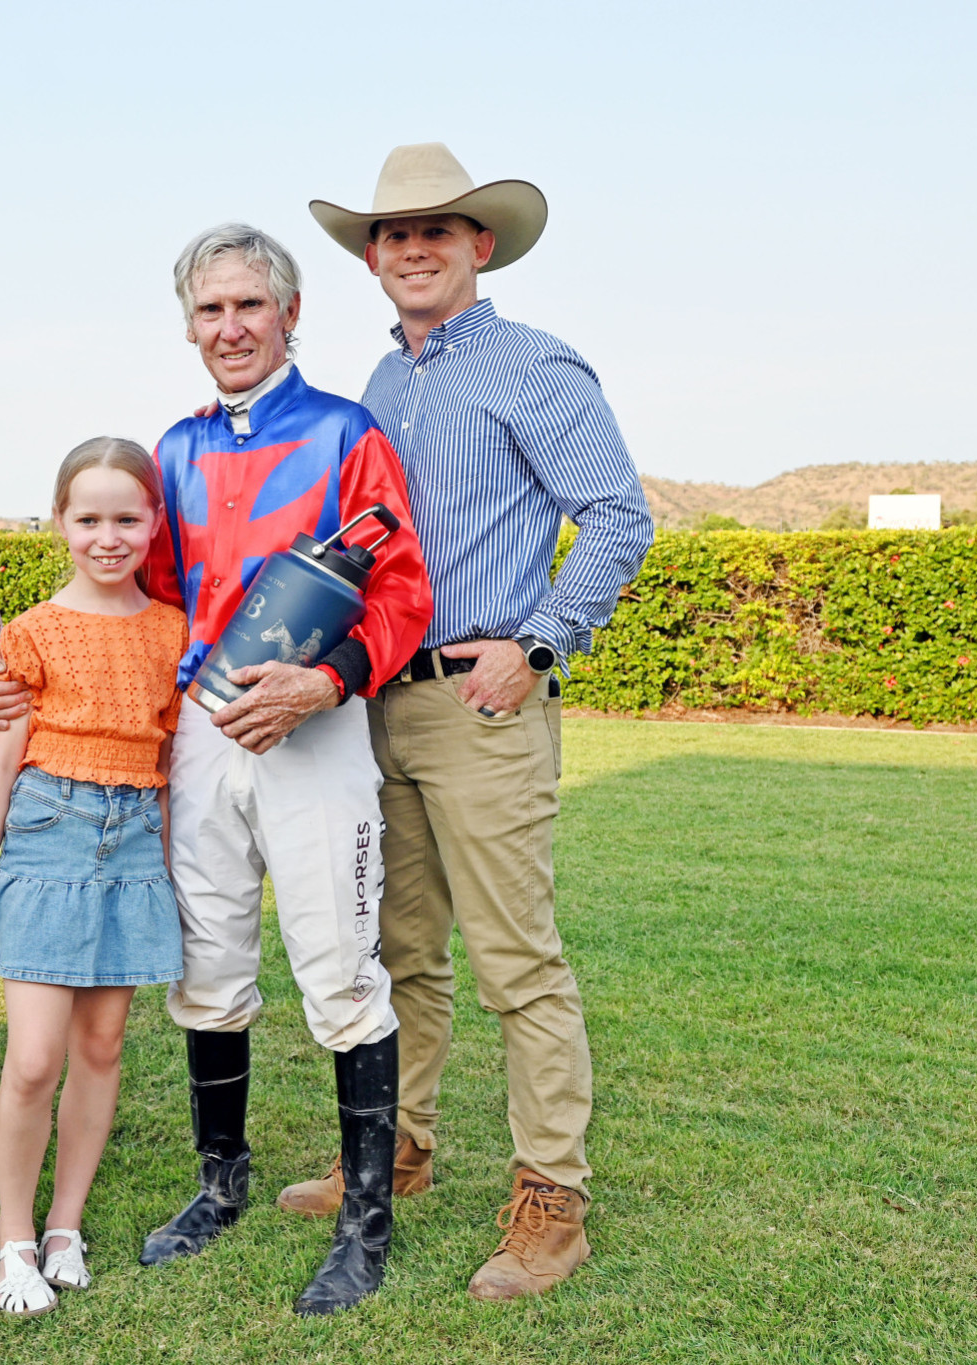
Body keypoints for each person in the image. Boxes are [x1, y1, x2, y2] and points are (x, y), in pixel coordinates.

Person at [0, 224, 434, 1315]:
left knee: (338, 971)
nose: (229, 328)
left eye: (248, 306)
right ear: (187, 324)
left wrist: (324, 686)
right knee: (210, 967)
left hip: (312, 732)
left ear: (289, 312)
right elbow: (142, 605)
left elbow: (404, 591)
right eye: (209, 310)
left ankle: (364, 1219)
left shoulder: (344, 433)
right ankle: (218, 1184)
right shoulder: (171, 451)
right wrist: (15, 691)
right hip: (199, 737)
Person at [287, 143, 654, 1299]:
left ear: (478, 244)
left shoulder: (532, 366)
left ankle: (551, 1204)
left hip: (480, 701)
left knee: (515, 964)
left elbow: (614, 516)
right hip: (378, 702)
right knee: (399, 953)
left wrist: (537, 643)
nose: (410, 249)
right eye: (391, 235)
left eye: (434, 231)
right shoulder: (381, 385)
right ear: (371, 257)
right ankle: (400, 1150)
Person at [0, 437, 188, 1317]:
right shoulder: (31, 633)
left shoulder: (172, 630)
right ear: (59, 521)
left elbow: (171, 759)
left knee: (101, 1047)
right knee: (32, 1057)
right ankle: (12, 1236)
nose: (107, 535)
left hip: (135, 840)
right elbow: (0, 764)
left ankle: (65, 1224)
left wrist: (168, 871)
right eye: (88, 517)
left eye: (126, 518)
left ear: (154, 524)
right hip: (48, 840)